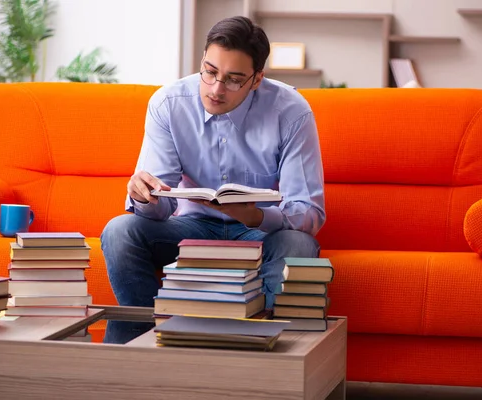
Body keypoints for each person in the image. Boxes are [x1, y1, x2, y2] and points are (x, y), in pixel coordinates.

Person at [101, 16, 325, 343]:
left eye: (234, 79)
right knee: (120, 231)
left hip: (259, 233)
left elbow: (309, 212)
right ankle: (151, 344)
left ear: (257, 79)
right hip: (191, 228)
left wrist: (257, 216)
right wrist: (145, 197)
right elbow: (159, 209)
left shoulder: (291, 111)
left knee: (299, 246)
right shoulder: (168, 104)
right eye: (210, 71)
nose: (216, 89)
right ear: (203, 59)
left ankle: (249, 345)